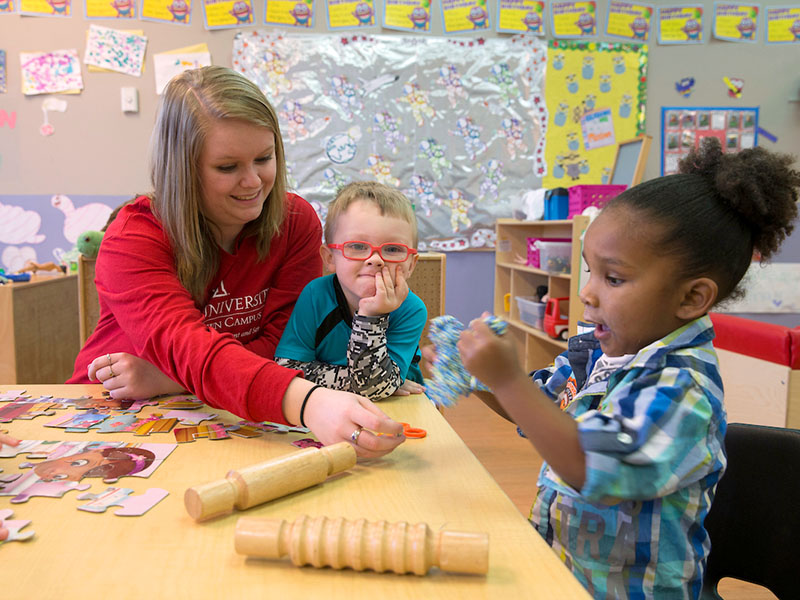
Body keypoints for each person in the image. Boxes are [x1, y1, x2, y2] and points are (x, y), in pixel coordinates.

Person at [451, 138, 799, 598]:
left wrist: (506, 377)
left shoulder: (683, 389)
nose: (588, 293)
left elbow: (585, 464)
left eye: (613, 278)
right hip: (561, 575)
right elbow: (538, 408)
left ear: (691, 297)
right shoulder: (601, 350)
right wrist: (470, 372)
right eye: (588, 270)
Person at [67, 66, 404, 457]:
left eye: (264, 158)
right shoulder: (135, 236)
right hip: (111, 414)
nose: (253, 182)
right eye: (227, 167)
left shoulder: (294, 221)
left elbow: (283, 345)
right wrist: (310, 402)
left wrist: (169, 378)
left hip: (230, 413)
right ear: (183, 171)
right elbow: (185, 345)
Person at [275, 181, 427, 399]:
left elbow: (373, 387)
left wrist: (371, 316)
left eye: (393, 249)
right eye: (357, 246)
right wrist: (366, 382)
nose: (375, 259)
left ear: (411, 265)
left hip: (402, 409)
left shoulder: (411, 310)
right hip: (325, 410)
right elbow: (287, 371)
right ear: (330, 258)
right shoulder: (315, 296)